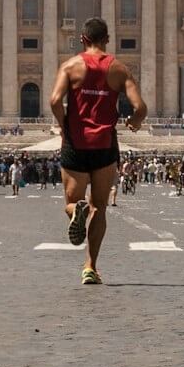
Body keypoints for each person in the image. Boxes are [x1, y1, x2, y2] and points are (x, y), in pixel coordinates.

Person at [48, 16, 147, 285]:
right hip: (105, 145)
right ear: (107, 40)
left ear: (83, 39)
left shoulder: (70, 66)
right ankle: (90, 267)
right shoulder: (119, 69)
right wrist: (134, 123)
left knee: (72, 203)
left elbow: (55, 100)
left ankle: (77, 211)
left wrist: (63, 124)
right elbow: (140, 108)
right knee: (100, 208)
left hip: (75, 144)